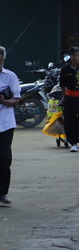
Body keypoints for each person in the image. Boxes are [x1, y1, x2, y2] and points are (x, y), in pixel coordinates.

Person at [0, 46, 20, 206]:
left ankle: (3, 193)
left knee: (5, 158)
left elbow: (16, 100)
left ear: (3, 60)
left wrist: (5, 101)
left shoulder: (10, 76)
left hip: (6, 124)